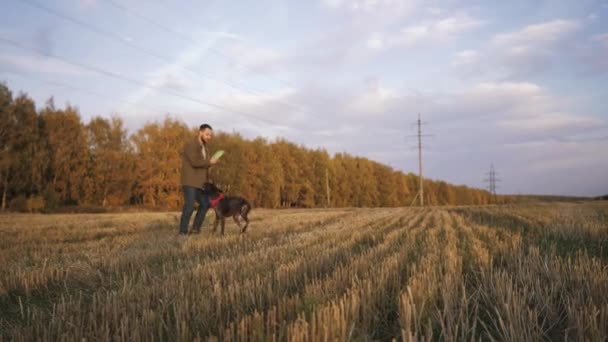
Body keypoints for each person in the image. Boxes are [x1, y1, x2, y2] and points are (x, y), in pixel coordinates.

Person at [179, 123, 218, 235]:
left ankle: (196, 229)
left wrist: (210, 164)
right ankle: (182, 231)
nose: (208, 137)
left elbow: (204, 164)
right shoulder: (191, 144)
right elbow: (195, 162)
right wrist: (210, 162)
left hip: (201, 183)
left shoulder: (205, 147)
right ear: (200, 132)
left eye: (210, 135)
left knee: (205, 204)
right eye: (207, 134)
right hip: (190, 181)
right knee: (190, 206)